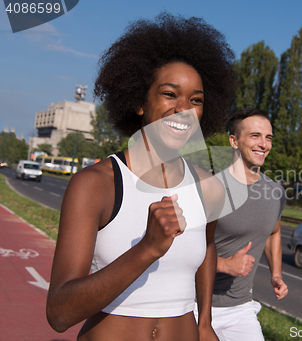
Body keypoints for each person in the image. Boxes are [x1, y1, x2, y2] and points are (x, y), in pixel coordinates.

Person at [46, 13, 235, 341]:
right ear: (138, 101)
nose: (183, 109)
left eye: (196, 100)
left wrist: (205, 324)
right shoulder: (95, 184)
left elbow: (206, 248)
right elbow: (60, 313)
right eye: (169, 94)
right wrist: (148, 248)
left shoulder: (209, 187)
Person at [208, 108, 289, 341]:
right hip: (193, 303)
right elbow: (179, 248)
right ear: (233, 141)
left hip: (240, 309)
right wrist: (223, 264)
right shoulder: (212, 189)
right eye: (255, 136)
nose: (263, 144)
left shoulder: (275, 193)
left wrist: (276, 274)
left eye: (268, 137)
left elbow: (273, 232)